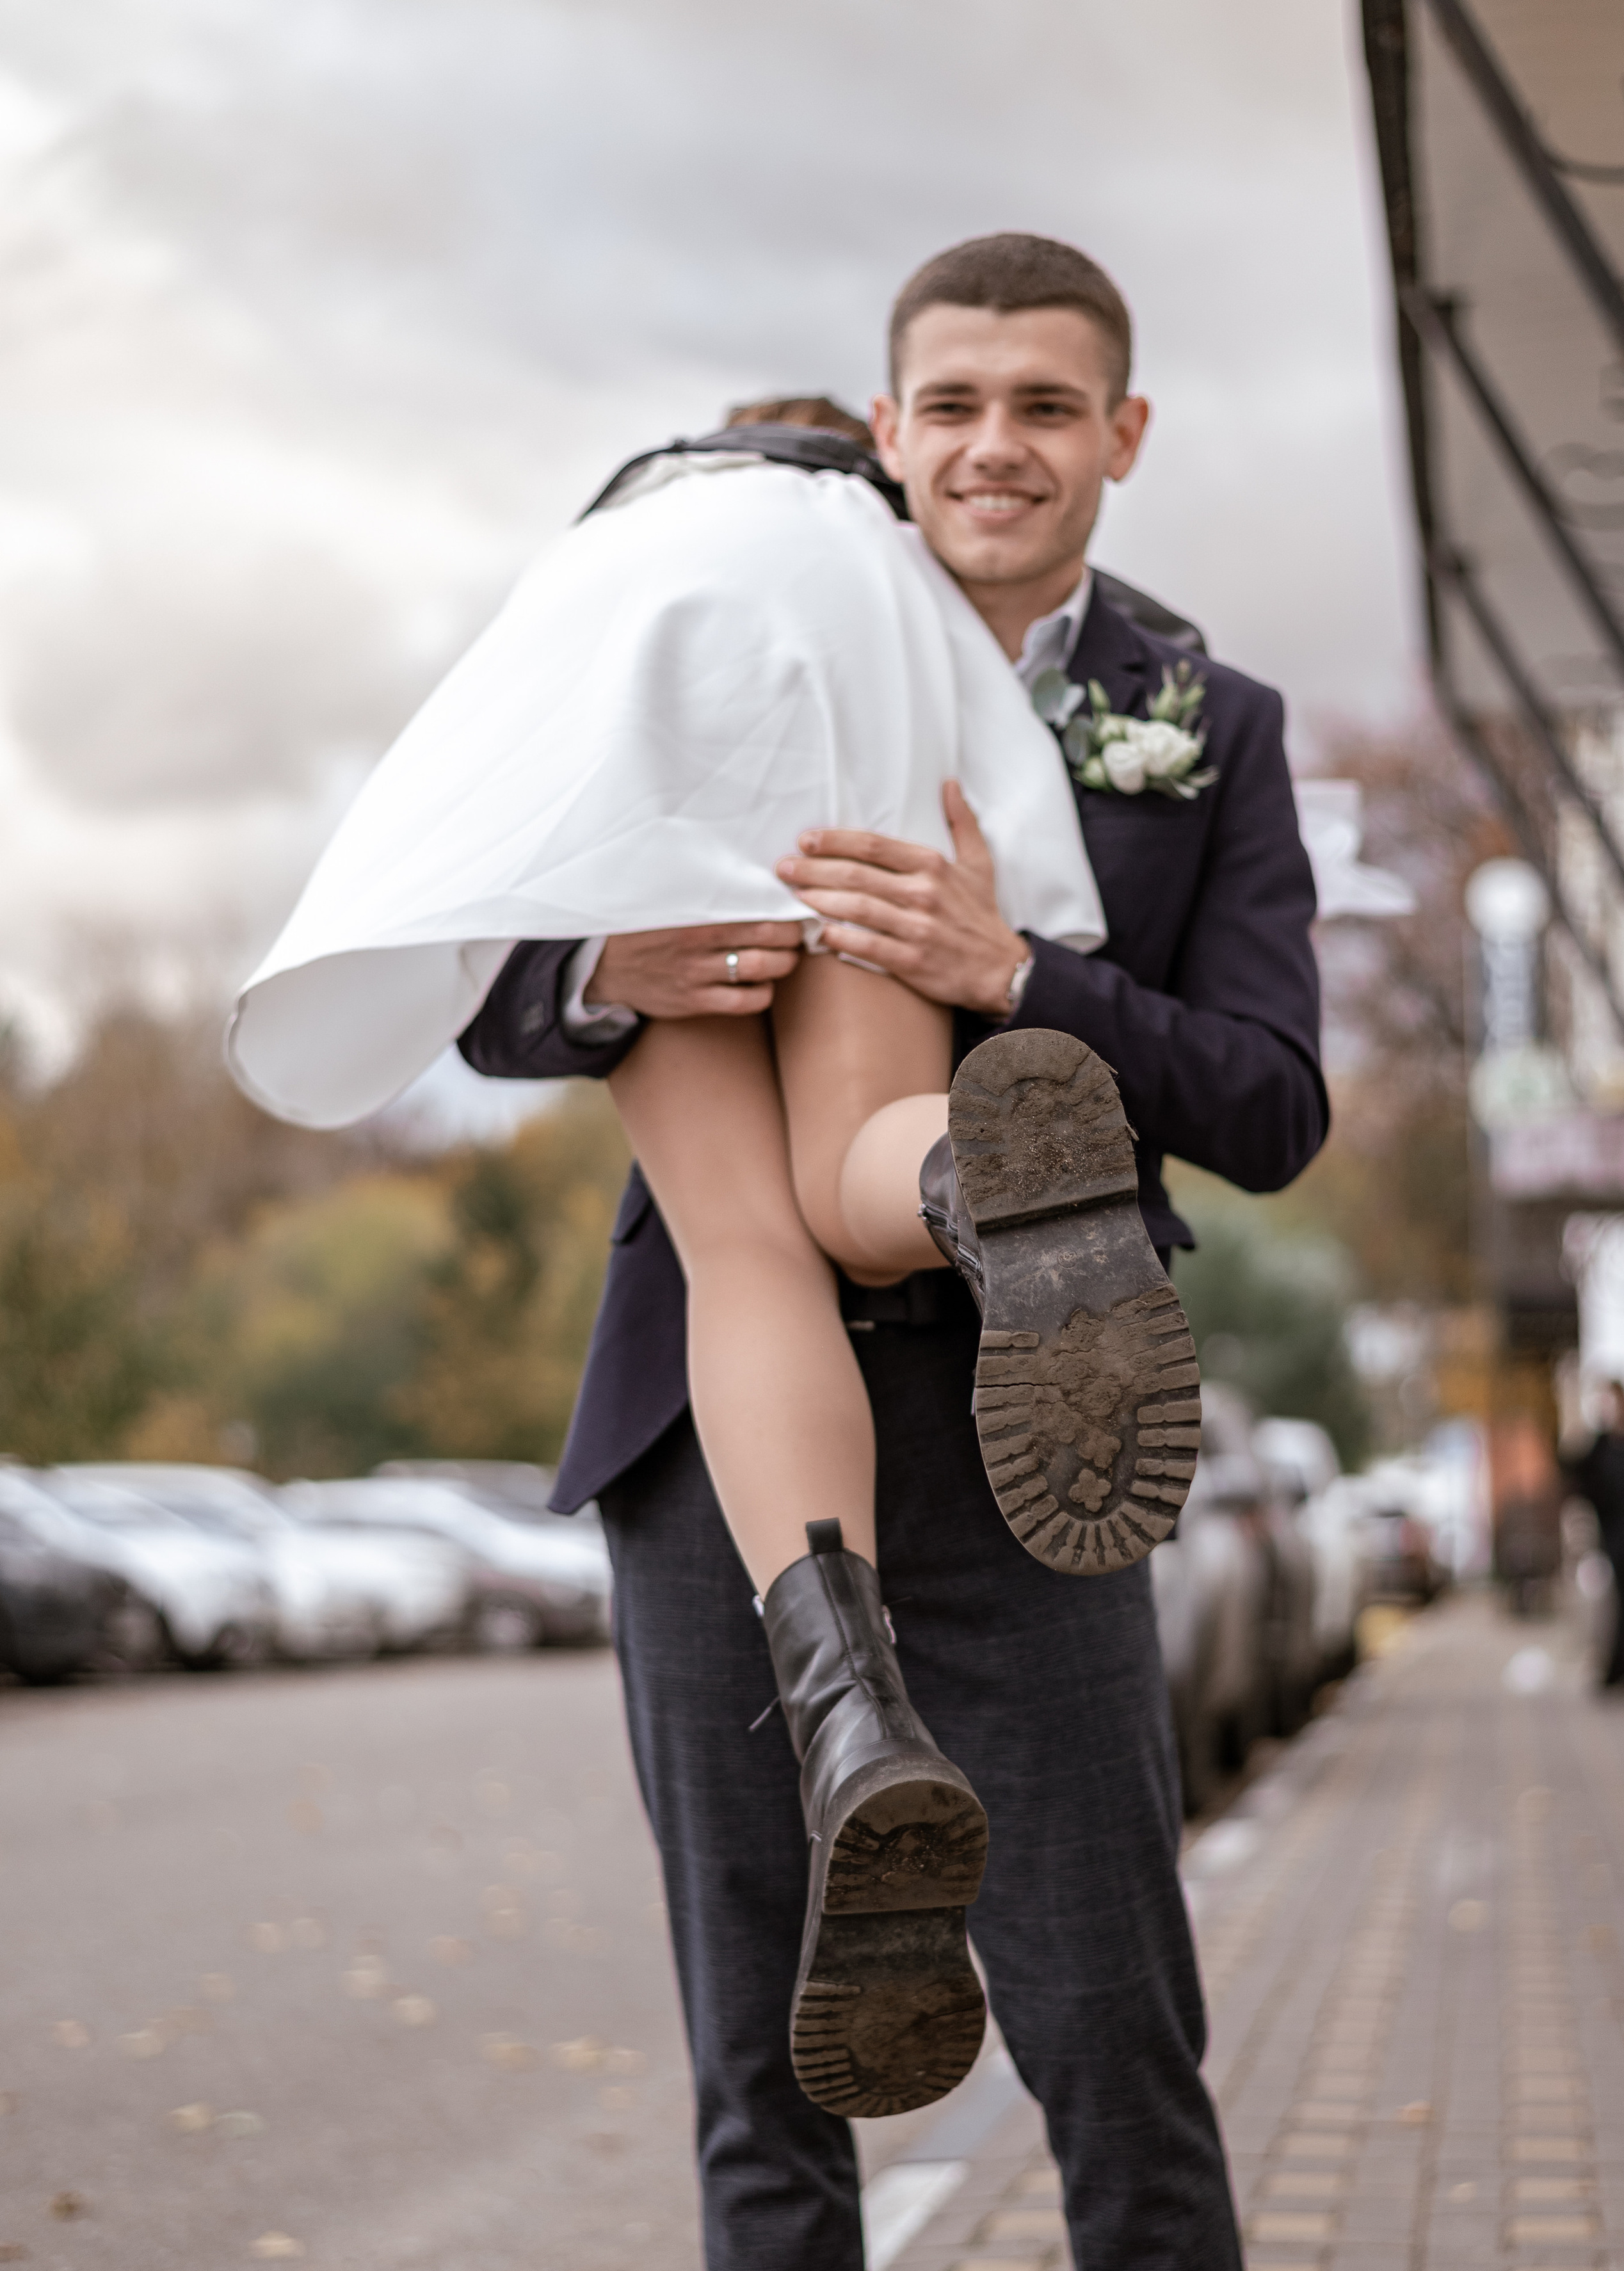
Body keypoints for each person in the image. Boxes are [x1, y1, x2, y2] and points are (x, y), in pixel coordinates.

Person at [460, 233, 1326, 2271]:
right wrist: (608, 970)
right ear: (886, 422)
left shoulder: (1205, 726)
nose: (995, 445)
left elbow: (1271, 1101)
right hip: (715, 1467)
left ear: (1122, 438)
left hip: (1047, 1429)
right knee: (769, 2067)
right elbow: (490, 985)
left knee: (1112, 2044)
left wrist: (1030, 970)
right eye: (953, 403)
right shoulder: (730, 621)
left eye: (1047, 405)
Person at [227, 335, 1199, 2124]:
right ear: (876, 451)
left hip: (662, 863)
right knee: (852, 1169)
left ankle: (850, 1721)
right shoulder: (888, 567)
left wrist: (598, 949)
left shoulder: (623, 547)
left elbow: (484, 827)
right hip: (861, 845)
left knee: (747, 1252)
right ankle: (971, 1184)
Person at [1565, 1378, 1624, 1688]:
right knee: (1621, 1603)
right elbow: (1575, 1473)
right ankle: (1621, 1667)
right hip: (1617, 1534)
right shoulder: (1601, 1446)